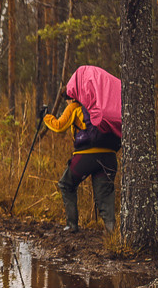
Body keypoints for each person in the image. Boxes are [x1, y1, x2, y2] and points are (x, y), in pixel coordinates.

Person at [40, 66, 122, 233]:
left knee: (66, 184)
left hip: (86, 157)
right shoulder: (99, 106)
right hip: (109, 157)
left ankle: (72, 225)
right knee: (104, 195)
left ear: (72, 96)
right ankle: (112, 232)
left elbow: (59, 126)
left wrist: (45, 117)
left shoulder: (75, 107)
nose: (68, 103)